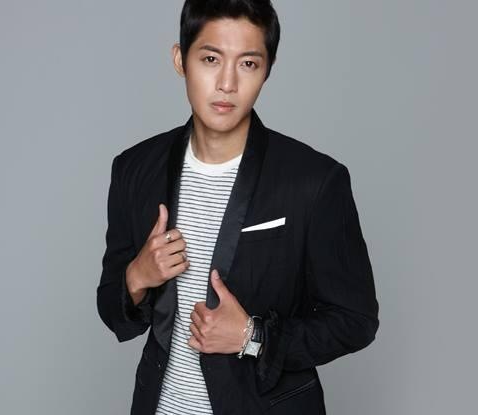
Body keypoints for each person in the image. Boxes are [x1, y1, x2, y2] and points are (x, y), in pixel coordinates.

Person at [95, 1, 379, 414]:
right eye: (211, 59)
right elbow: (112, 309)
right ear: (180, 59)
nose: (227, 83)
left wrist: (252, 336)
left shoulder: (314, 182)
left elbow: (356, 321)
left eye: (248, 64)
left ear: (268, 70)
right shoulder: (135, 169)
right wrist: (138, 276)